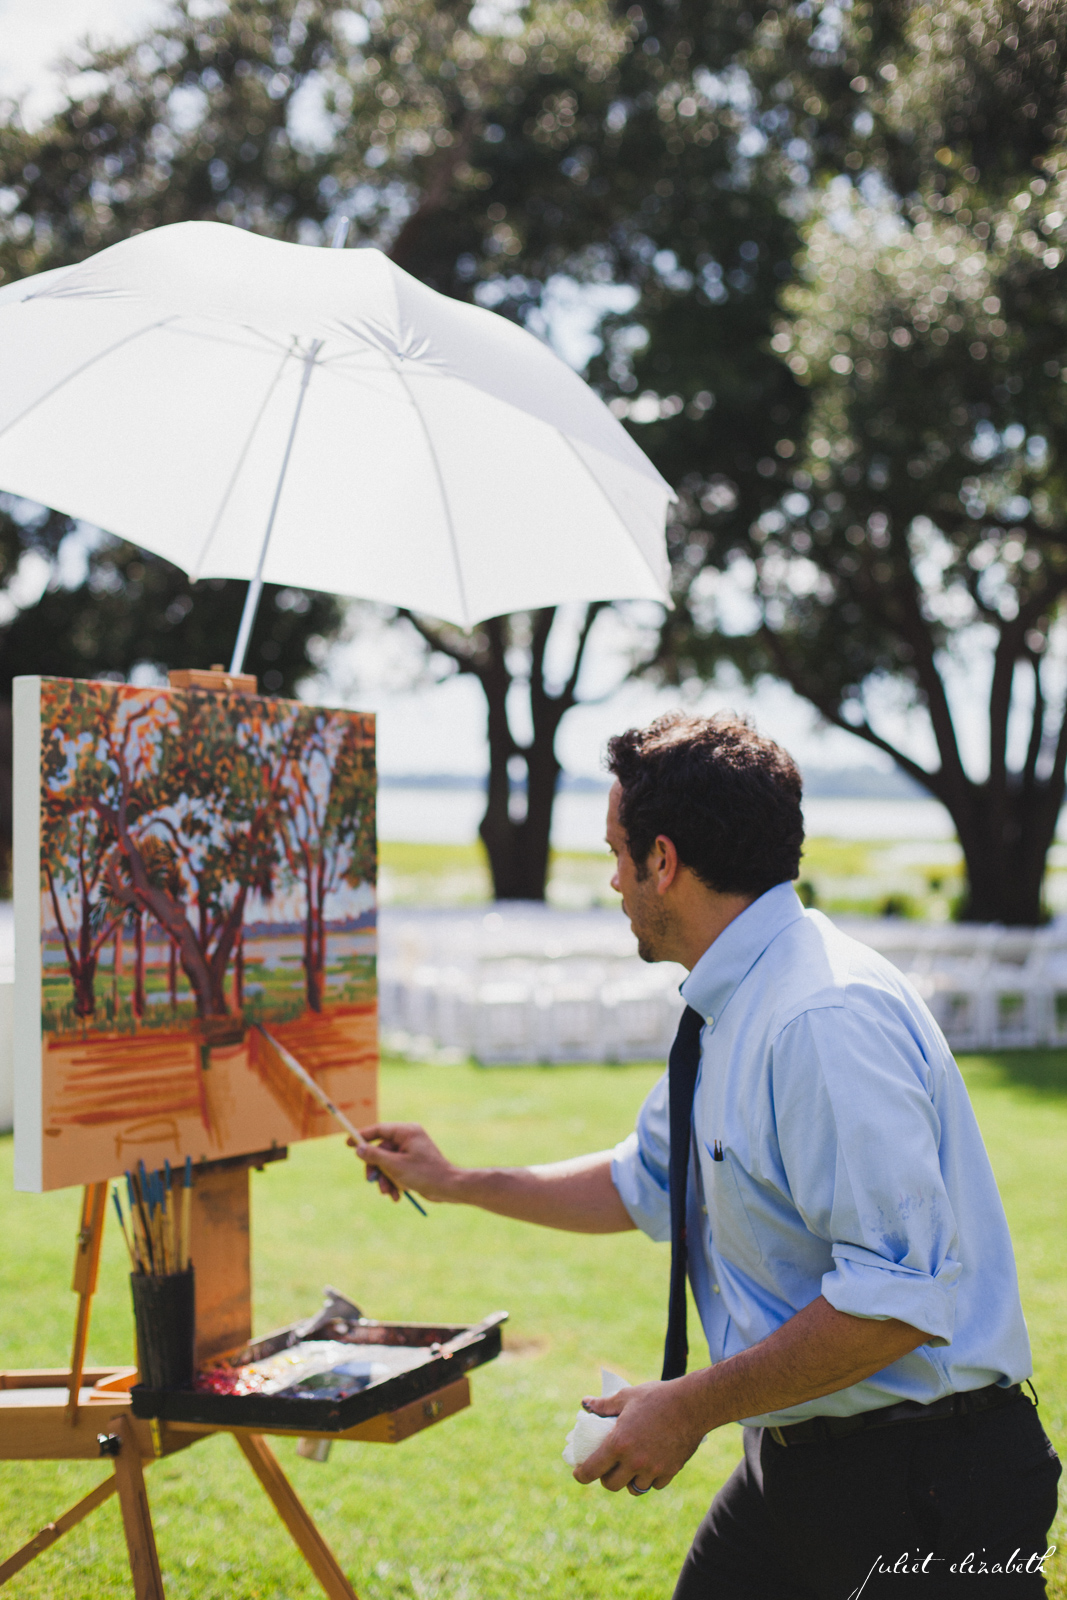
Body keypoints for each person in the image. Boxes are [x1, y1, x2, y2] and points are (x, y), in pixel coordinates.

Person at [354, 712, 1061, 1598]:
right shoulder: (731, 999)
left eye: (615, 853)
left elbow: (896, 1301)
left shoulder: (819, 1018)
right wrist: (457, 1182)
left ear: (663, 859)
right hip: (797, 1457)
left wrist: (687, 1406)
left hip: (928, 1481)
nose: (611, 882)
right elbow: (642, 1181)